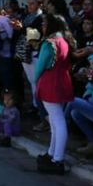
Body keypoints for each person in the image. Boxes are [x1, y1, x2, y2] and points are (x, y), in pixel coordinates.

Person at [34, 13, 74, 175]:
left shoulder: (50, 43)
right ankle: (52, 153)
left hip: (50, 82)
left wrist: (36, 81)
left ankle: (57, 159)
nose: (42, 26)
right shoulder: (63, 41)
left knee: (57, 121)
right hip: (61, 80)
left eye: (45, 24)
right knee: (55, 121)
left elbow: (39, 68)